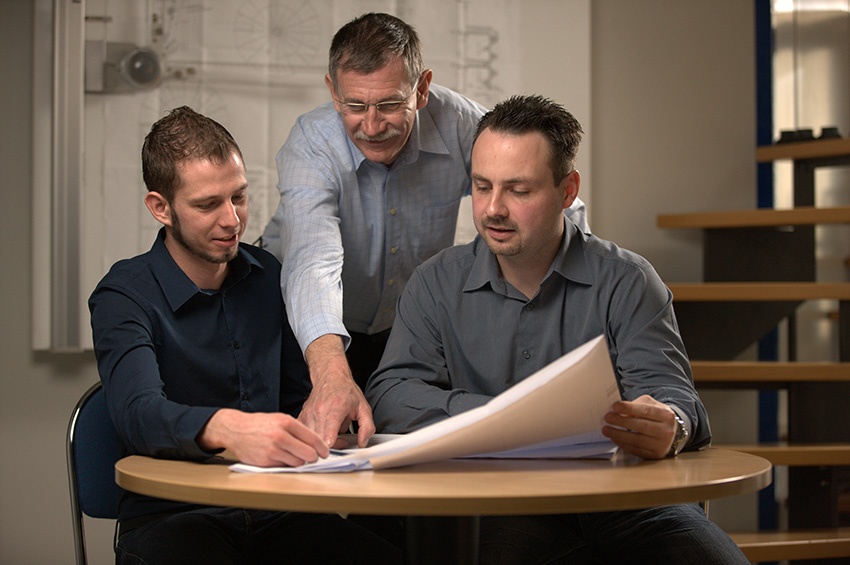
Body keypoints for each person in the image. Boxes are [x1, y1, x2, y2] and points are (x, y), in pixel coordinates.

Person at [365, 95, 749, 564]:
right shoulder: (435, 283)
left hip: (631, 502)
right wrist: (508, 419)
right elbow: (391, 394)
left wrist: (671, 424)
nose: (493, 209)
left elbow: (674, 396)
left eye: (519, 191)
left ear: (568, 191)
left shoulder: (628, 280)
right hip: (508, 506)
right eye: (482, 187)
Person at [259, 12, 589, 448]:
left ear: (422, 88)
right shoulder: (311, 143)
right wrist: (332, 376)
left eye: (391, 104)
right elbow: (312, 263)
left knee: (406, 461)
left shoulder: (463, 124)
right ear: (332, 92)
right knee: (315, 463)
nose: (372, 126)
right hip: (309, 331)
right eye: (355, 106)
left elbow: (552, 209)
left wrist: (584, 306)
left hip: (403, 329)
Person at [88, 106, 402, 564]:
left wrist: (327, 423)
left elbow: (301, 401)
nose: (232, 220)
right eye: (207, 204)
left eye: (238, 196)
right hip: (175, 519)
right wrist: (229, 429)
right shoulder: (124, 295)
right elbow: (138, 415)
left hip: (282, 512)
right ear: (161, 208)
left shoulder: (268, 275)